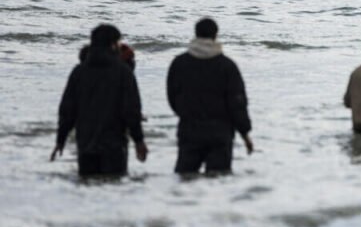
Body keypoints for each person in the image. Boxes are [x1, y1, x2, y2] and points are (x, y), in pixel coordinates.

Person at [53, 24, 147, 176]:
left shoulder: (79, 72)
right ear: (113, 44)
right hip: (114, 145)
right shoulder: (123, 72)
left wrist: (60, 139)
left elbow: (67, 110)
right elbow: (131, 110)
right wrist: (139, 141)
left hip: (85, 144)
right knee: (113, 187)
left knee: (87, 188)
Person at [167, 18, 253, 174]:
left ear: (196, 34)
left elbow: (172, 97)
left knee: (185, 179)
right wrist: (245, 133)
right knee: (218, 182)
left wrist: (186, 114)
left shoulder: (180, 63)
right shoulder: (227, 66)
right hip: (220, 133)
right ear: (215, 35)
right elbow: (237, 103)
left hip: (189, 130)